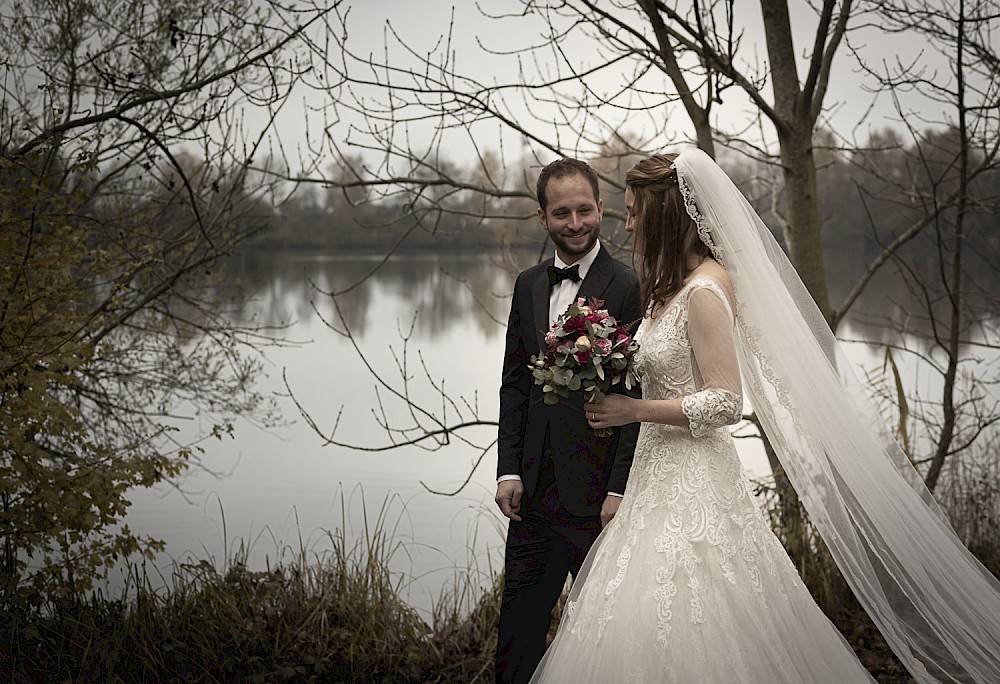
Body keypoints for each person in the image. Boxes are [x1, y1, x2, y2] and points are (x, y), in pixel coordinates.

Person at [527, 149, 1000, 683]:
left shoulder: (705, 290)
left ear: (664, 216)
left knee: (701, 607)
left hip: (696, 477)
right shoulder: (666, 289)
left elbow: (727, 401)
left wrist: (636, 409)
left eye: (635, 211)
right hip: (654, 475)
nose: (628, 222)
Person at [495, 157, 643, 684]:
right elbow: (515, 384)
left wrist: (620, 489)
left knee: (606, 638)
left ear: (601, 208)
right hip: (532, 494)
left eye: (585, 209)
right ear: (542, 217)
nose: (575, 222)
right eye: (562, 213)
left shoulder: (629, 286)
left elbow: (637, 400)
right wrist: (507, 470)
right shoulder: (527, 285)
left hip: (597, 498)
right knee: (518, 635)